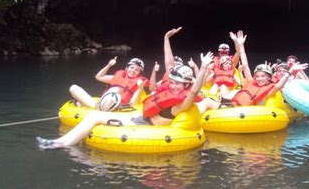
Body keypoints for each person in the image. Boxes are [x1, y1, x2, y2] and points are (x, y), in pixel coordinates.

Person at [36, 52, 214, 149]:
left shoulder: (182, 103)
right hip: (140, 119)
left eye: (179, 84)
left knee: (95, 118)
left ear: (186, 85)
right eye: (173, 82)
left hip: (147, 127)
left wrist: (204, 67)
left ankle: (58, 144)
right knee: (93, 117)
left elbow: (195, 90)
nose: (174, 86)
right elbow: (169, 65)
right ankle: (59, 142)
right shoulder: (168, 90)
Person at [217, 30, 308, 107]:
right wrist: (241, 45)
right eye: (257, 76)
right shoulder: (252, 82)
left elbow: (279, 85)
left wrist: (291, 70)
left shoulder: (271, 90)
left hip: (247, 113)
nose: (259, 79)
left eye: (263, 76)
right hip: (232, 107)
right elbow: (245, 65)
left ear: (269, 77)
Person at [69, 57, 148, 111]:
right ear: (127, 68)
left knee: (115, 89)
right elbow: (98, 77)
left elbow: (133, 104)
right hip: (102, 103)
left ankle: (92, 106)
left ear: (139, 74)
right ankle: (97, 107)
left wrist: (140, 88)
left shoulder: (138, 84)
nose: (133, 71)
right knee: (73, 88)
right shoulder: (117, 77)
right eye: (132, 67)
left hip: (118, 108)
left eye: (137, 70)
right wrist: (109, 65)